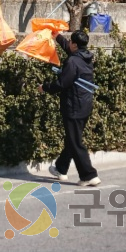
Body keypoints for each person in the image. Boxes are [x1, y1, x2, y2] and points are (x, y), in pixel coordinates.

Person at [40, 31, 100, 187]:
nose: (69, 44)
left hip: (73, 106)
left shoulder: (72, 62)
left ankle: (89, 175)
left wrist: (45, 87)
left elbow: (62, 83)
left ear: (75, 44)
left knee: (75, 142)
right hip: (84, 105)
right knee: (72, 139)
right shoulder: (86, 57)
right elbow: (69, 49)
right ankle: (61, 168)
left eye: (70, 42)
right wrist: (57, 36)